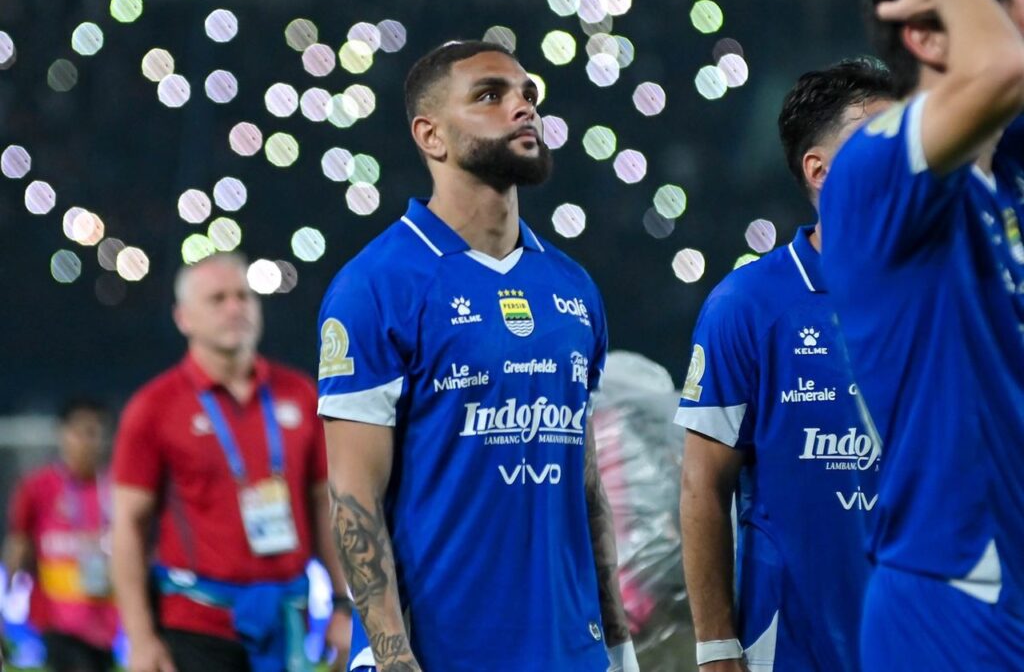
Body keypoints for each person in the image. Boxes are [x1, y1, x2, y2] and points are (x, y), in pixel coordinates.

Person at [316, 40, 637, 672]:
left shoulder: (574, 289)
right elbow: (354, 499)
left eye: (527, 94)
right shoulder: (376, 286)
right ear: (430, 135)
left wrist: (618, 644)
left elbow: (586, 484)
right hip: (439, 655)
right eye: (490, 95)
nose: (523, 107)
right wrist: (393, 658)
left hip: (570, 654)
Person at [820, 0, 1024, 669]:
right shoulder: (872, 168)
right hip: (953, 601)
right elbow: (1002, 69)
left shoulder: (1001, 176)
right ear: (928, 39)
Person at [676, 61, 892, 672]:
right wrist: (716, 648)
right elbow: (703, 486)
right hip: (794, 650)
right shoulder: (748, 305)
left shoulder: (952, 294)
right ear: (819, 171)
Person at [110, 253, 351, 672]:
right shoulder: (154, 407)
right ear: (183, 318)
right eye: (217, 299)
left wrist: (343, 603)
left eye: (244, 296)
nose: (235, 307)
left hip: (287, 618)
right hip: (196, 625)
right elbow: (128, 527)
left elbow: (326, 507)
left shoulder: (299, 394)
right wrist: (141, 637)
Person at [2, 399, 118, 672]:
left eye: (97, 433)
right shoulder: (38, 487)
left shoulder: (116, 489)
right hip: (57, 621)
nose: (89, 442)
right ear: (62, 435)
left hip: (106, 620)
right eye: (81, 432)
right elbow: (18, 547)